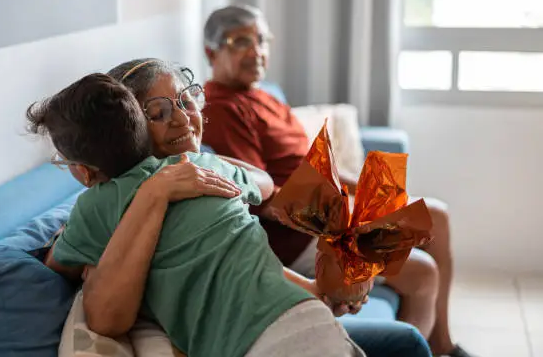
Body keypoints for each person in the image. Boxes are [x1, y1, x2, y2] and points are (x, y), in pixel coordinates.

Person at [201, 4, 473, 357]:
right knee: (423, 274)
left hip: (324, 211)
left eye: (261, 40)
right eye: (240, 42)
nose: (256, 52)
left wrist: (366, 188)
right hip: (300, 233)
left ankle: (441, 345)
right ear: (211, 52)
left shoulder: (263, 95)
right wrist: (341, 226)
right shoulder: (222, 108)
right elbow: (258, 195)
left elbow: (313, 168)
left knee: (436, 214)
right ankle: (425, 348)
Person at [29, 70, 364, 357]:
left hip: (258, 344)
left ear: (84, 172)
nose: (182, 119)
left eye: (185, 101)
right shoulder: (204, 166)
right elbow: (260, 186)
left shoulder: (95, 207)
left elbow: (55, 264)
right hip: (309, 319)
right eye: (158, 112)